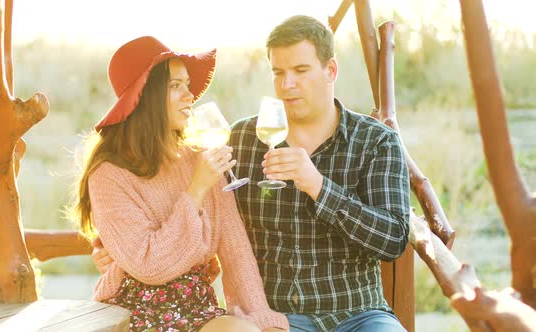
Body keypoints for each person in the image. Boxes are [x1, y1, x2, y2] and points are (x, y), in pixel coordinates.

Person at [93, 16, 410, 331]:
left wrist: (319, 187)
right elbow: (205, 227)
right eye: (279, 73)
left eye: (300, 71)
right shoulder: (242, 141)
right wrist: (111, 247)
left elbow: (393, 240)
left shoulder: (375, 141)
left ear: (331, 70)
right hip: (282, 314)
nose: (288, 85)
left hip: (360, 314)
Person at [75, 35, 288, 332]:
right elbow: (150, 265)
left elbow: (235, 250)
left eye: (187, 85)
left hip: (196, 308)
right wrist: (196, 189)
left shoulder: (199, 159)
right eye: (175, 86)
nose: (190, 96)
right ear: (144, 96)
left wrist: (263, 320)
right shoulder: (109, 175)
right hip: (132, 312)